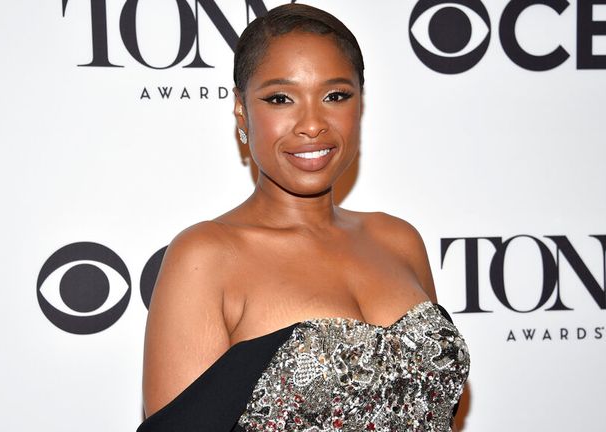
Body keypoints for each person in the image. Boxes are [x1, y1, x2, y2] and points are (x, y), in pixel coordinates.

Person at [138, 4, 469, 431]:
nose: (312, 124)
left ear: (360, 105)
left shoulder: (399, 239)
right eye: (280, 98)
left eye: (336, 95)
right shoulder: (207, 256)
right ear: (241, 109)